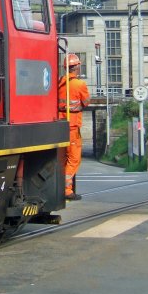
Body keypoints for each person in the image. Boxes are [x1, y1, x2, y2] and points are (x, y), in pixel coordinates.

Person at [58, 53, 90, 200]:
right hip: (72, 126)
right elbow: (86, 102)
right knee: (73, 159)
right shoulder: (80, 84)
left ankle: (59, 187)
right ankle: (67, 190)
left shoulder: (60, 83)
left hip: (60, 125)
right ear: (77, 67)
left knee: (62, 158)